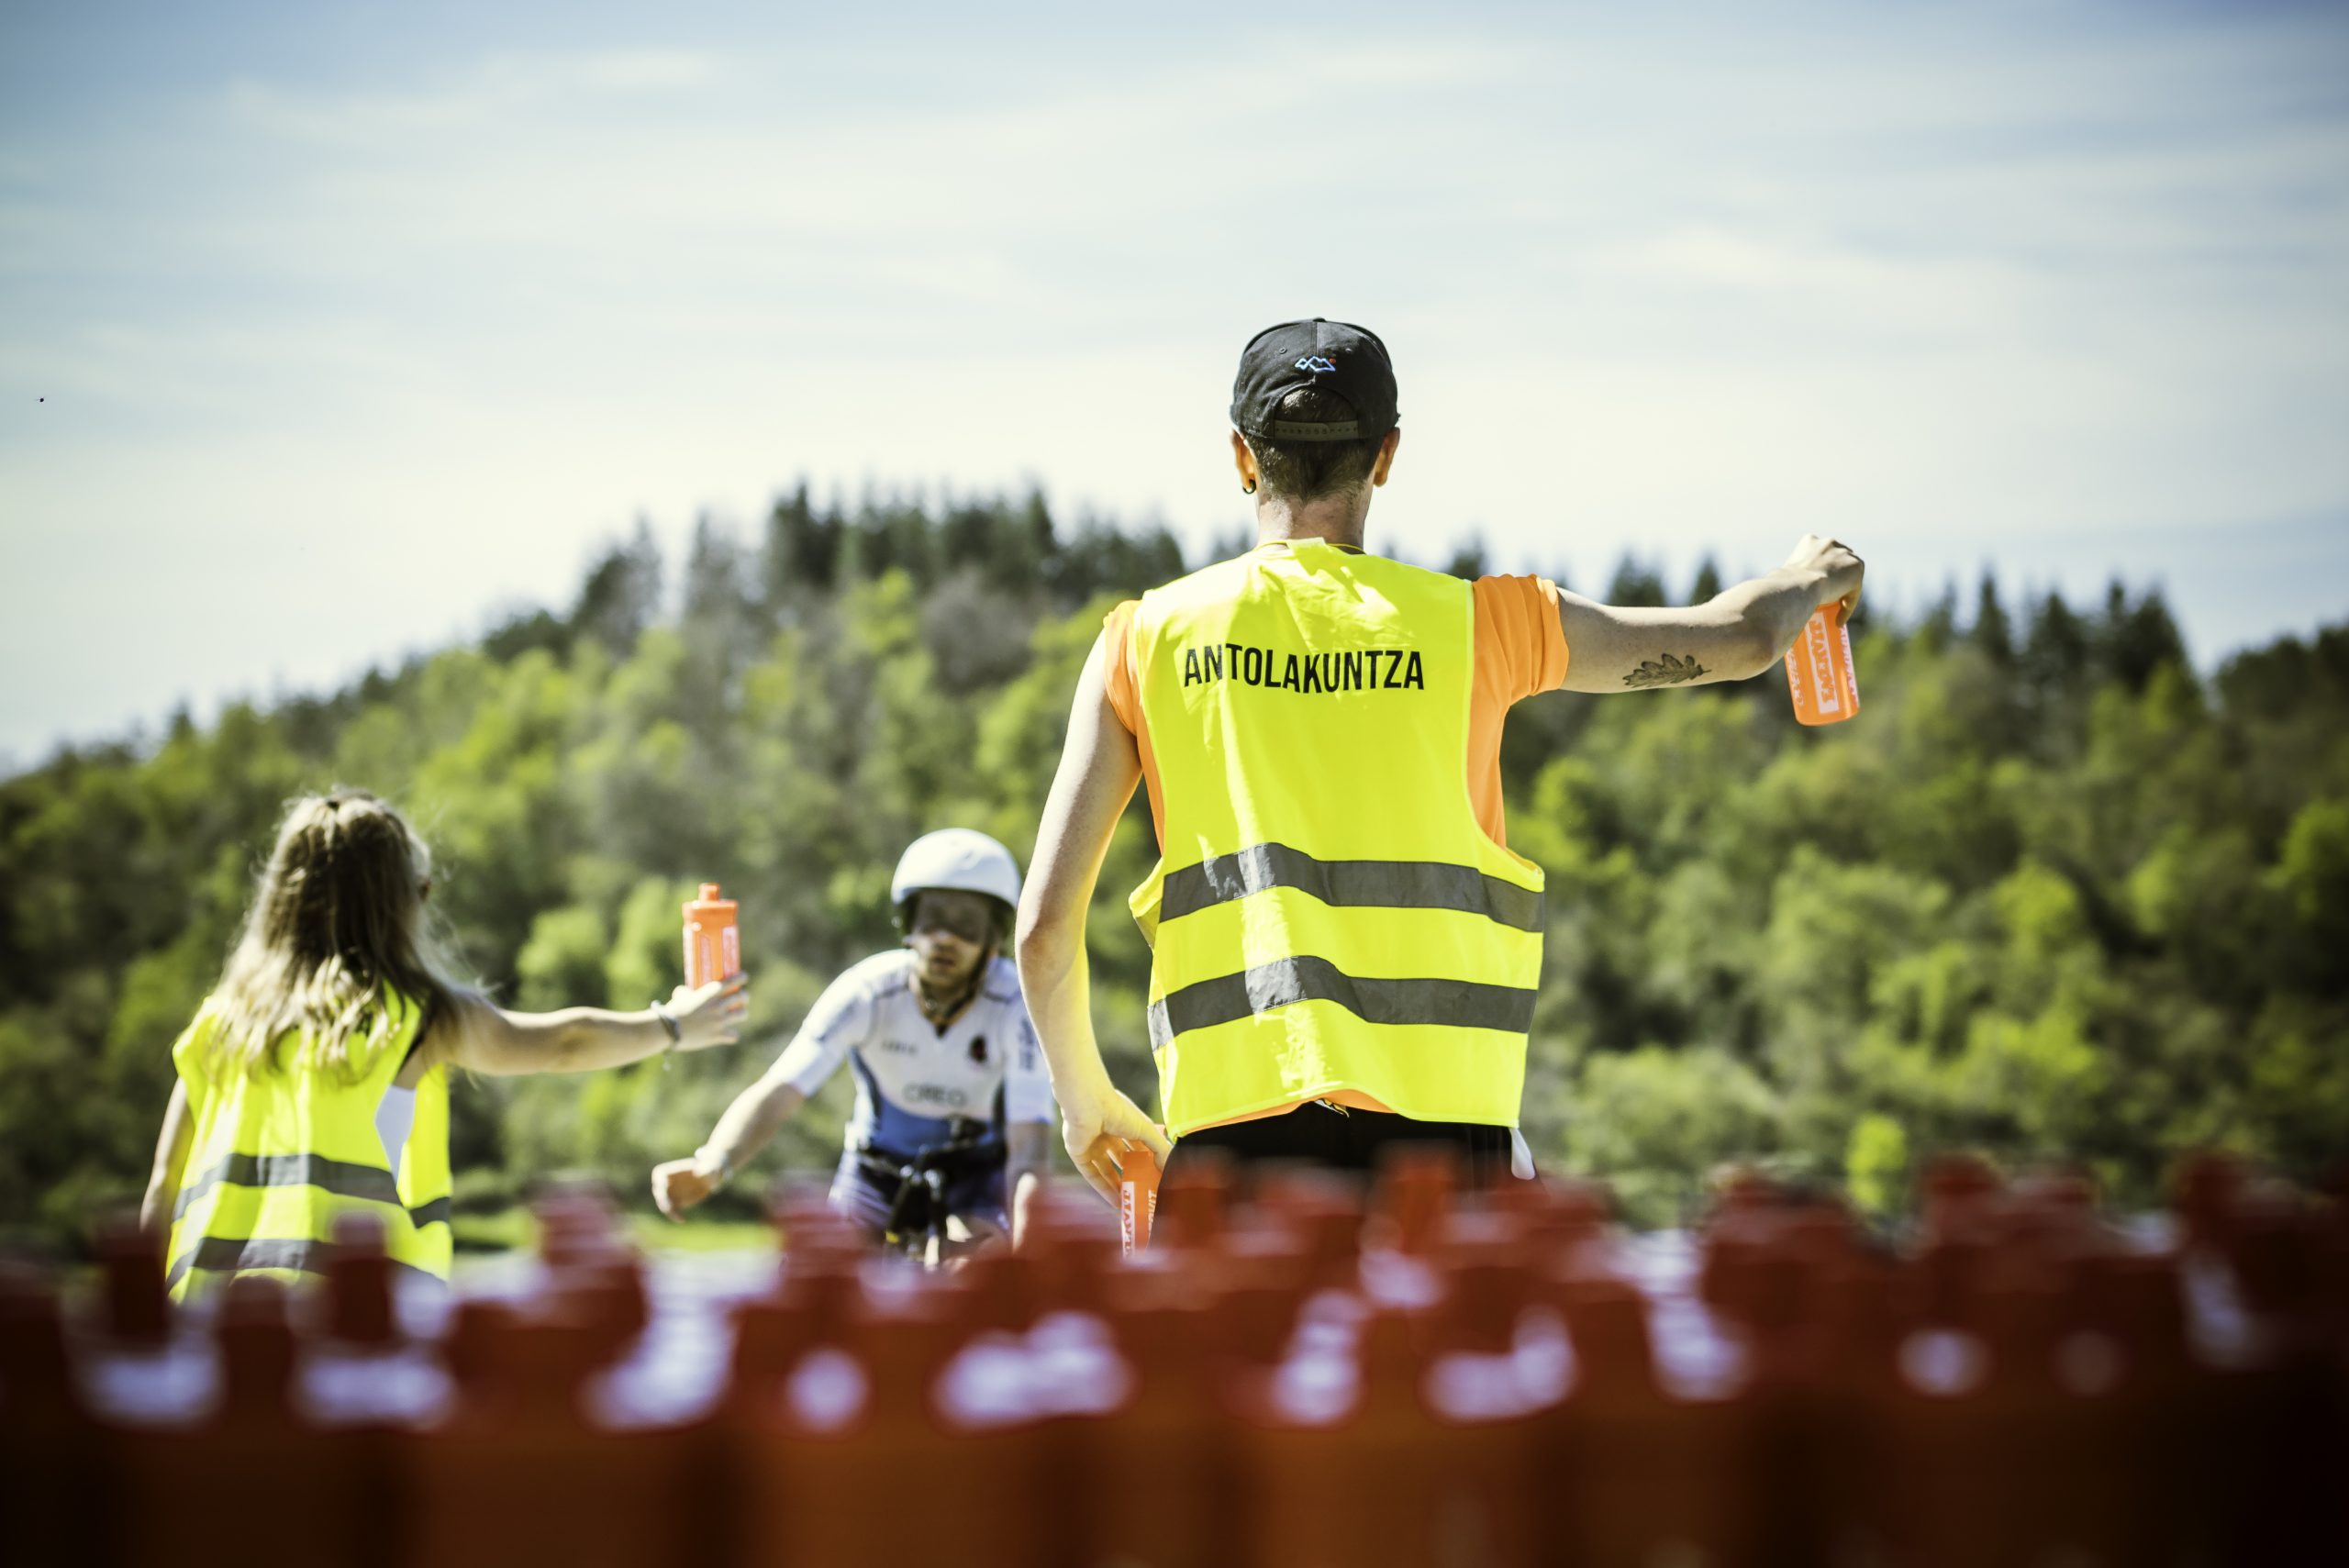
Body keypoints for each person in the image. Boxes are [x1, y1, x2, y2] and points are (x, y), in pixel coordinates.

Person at [1016, 317, 1865, 1202]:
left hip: (1232, 1145)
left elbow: (1042, 929)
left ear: (1241, 456)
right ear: (1385, 456)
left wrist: (1087, 1102)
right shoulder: (1481, 624)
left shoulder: (1142, 640)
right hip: (1445, 1150)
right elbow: (1741, 638)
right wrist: (1811, 575)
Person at [139, 790, 749, 1299]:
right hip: (341, 1319)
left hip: (206, 1329)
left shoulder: (221, 1024)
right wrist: (674, 1025)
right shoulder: (413, 1015)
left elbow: (164, 1184)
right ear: (401, 904)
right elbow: (563, 1043)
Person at [651, 828, 1055, 1252]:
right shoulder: (866, 992)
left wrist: (1029, 1241)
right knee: (829, 1267)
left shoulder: (1018, 1004)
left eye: (967, 925)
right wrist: (713, 1164)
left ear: (993, 939)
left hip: (977, 1175)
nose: (945, 938)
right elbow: (780, 1091)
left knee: (977, 1267)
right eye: (932, 919)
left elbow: (1029, 1145)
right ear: (908, 925)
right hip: (875, 1171)